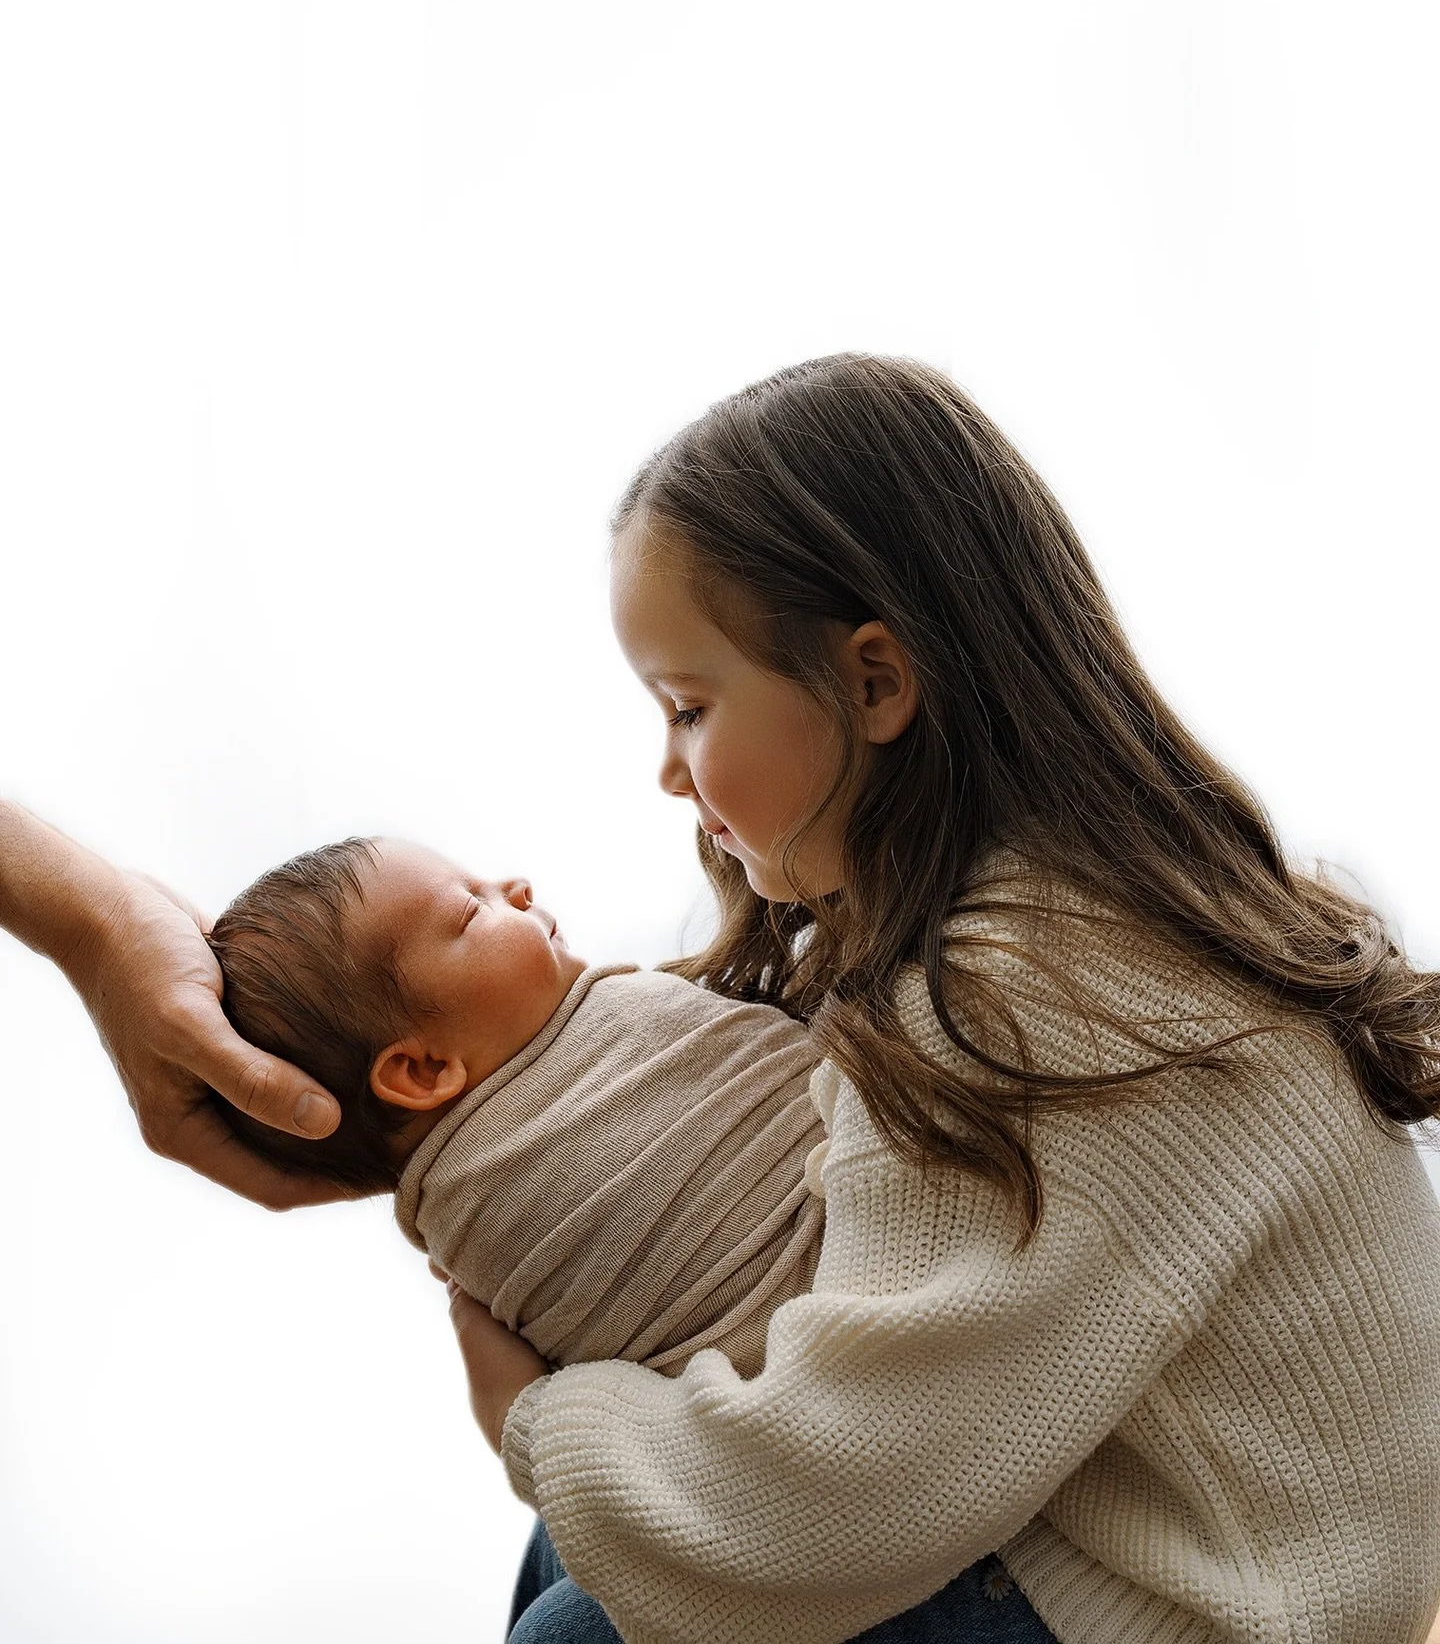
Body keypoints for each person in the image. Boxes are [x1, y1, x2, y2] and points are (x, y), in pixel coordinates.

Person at [3, 352, 1440, 1641]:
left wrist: (537, 1418)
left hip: (1205, 1612)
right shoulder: (1079, 919)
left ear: (875, 684)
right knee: (589, 1553)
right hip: (1182, 1552)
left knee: (589, 1606)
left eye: (688, 706)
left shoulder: (1015, 995)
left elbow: (840, 1499)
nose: (669, 771)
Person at [206, 833, 826, 1376]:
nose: (518, 886)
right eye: (473, 910)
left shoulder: (465, 1246)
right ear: (424, 1070)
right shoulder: (490, 1192)